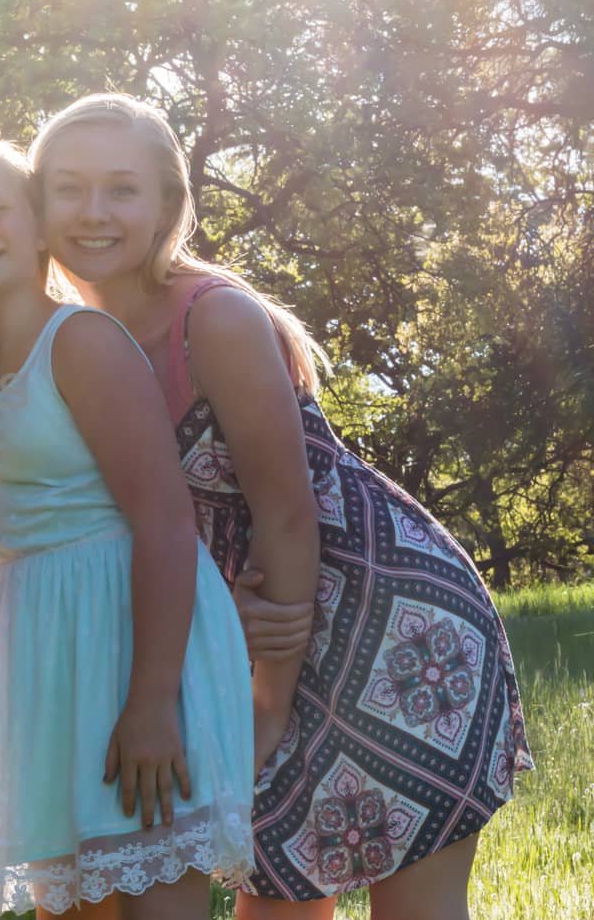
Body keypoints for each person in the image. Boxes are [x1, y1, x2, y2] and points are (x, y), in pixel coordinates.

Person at [30, 92, 533, 918]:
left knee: (413, 905)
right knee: (278, 893)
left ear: (166, 203)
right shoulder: (75, 337)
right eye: (69, 188)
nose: (94, 212)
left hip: (392, 625)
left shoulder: (212, 317)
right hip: (251, 636)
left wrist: (265, 709)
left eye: (121, 188)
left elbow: (287, 510)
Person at [0, 135, 254, 917]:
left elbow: (164, 522)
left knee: (156, 891)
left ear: (36, 227)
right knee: (72, 901)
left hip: (135, 633)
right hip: (47, 646)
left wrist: (152, 702)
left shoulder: (81, 342)